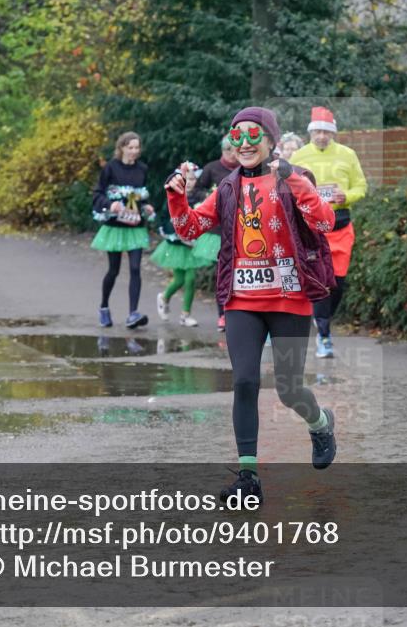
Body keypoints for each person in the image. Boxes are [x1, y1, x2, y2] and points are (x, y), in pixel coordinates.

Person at [164, 106, 338, 504]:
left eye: (252, 135)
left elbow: (325, 221)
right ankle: (248, 479)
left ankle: (320, 422)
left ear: (271, 140)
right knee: (244, 381)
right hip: (242, 300)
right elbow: (190, 228)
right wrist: (176, 196)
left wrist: (293, 179)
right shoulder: (227, 187)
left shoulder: (294, 177)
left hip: (290, 299)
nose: (243, 143)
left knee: (289, 390)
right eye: (236, 135)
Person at [290, 106, 368, 358]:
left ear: (333, 133)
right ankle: (324, 335)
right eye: (317, 132)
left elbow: (361, 187)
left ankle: (321, 317)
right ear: (310, 133)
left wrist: (347, 195)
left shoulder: (347, 154)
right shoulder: (300, 156)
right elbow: (287, 189)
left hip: (341, 225)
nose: (322, 136)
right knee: (321, 280)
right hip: (312, 229)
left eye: (326, 132)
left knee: (338, 283)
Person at [91, 131, 155, 329]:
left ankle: (133, 314)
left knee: (135, 268)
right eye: (130, 147)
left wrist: (146, 206)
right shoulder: (111, 168)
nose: (134, 151)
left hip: (135, 226)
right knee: (114, 270)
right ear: (121, 148)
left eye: (137, 147)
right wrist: (110, 205)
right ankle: (104, 307)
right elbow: (97, 194)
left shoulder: (142, 169)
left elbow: (141, 196)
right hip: (115, 227)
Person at [152, 176, 211, 327]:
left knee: (190, 279)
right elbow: (164, 217)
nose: (190, 182)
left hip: (192, 245)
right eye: (187, 179)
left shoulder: (201, 197)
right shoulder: (174, 195)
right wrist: (173, 231)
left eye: (193, 179)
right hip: (176, 246)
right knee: (179, 280)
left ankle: (185, 314)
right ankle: (164, 298)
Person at [192, 136, 237, 331]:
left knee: (236, 273)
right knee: (222, 272)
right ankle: (222, 315)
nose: (232, 154)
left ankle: (238, 312)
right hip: (217, 232)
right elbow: (196, 191)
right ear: (222, 151)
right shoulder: (211, 168)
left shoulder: (244, 169)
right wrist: (213, 195)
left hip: (239, 229)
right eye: (228, 150)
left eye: (234, 150)